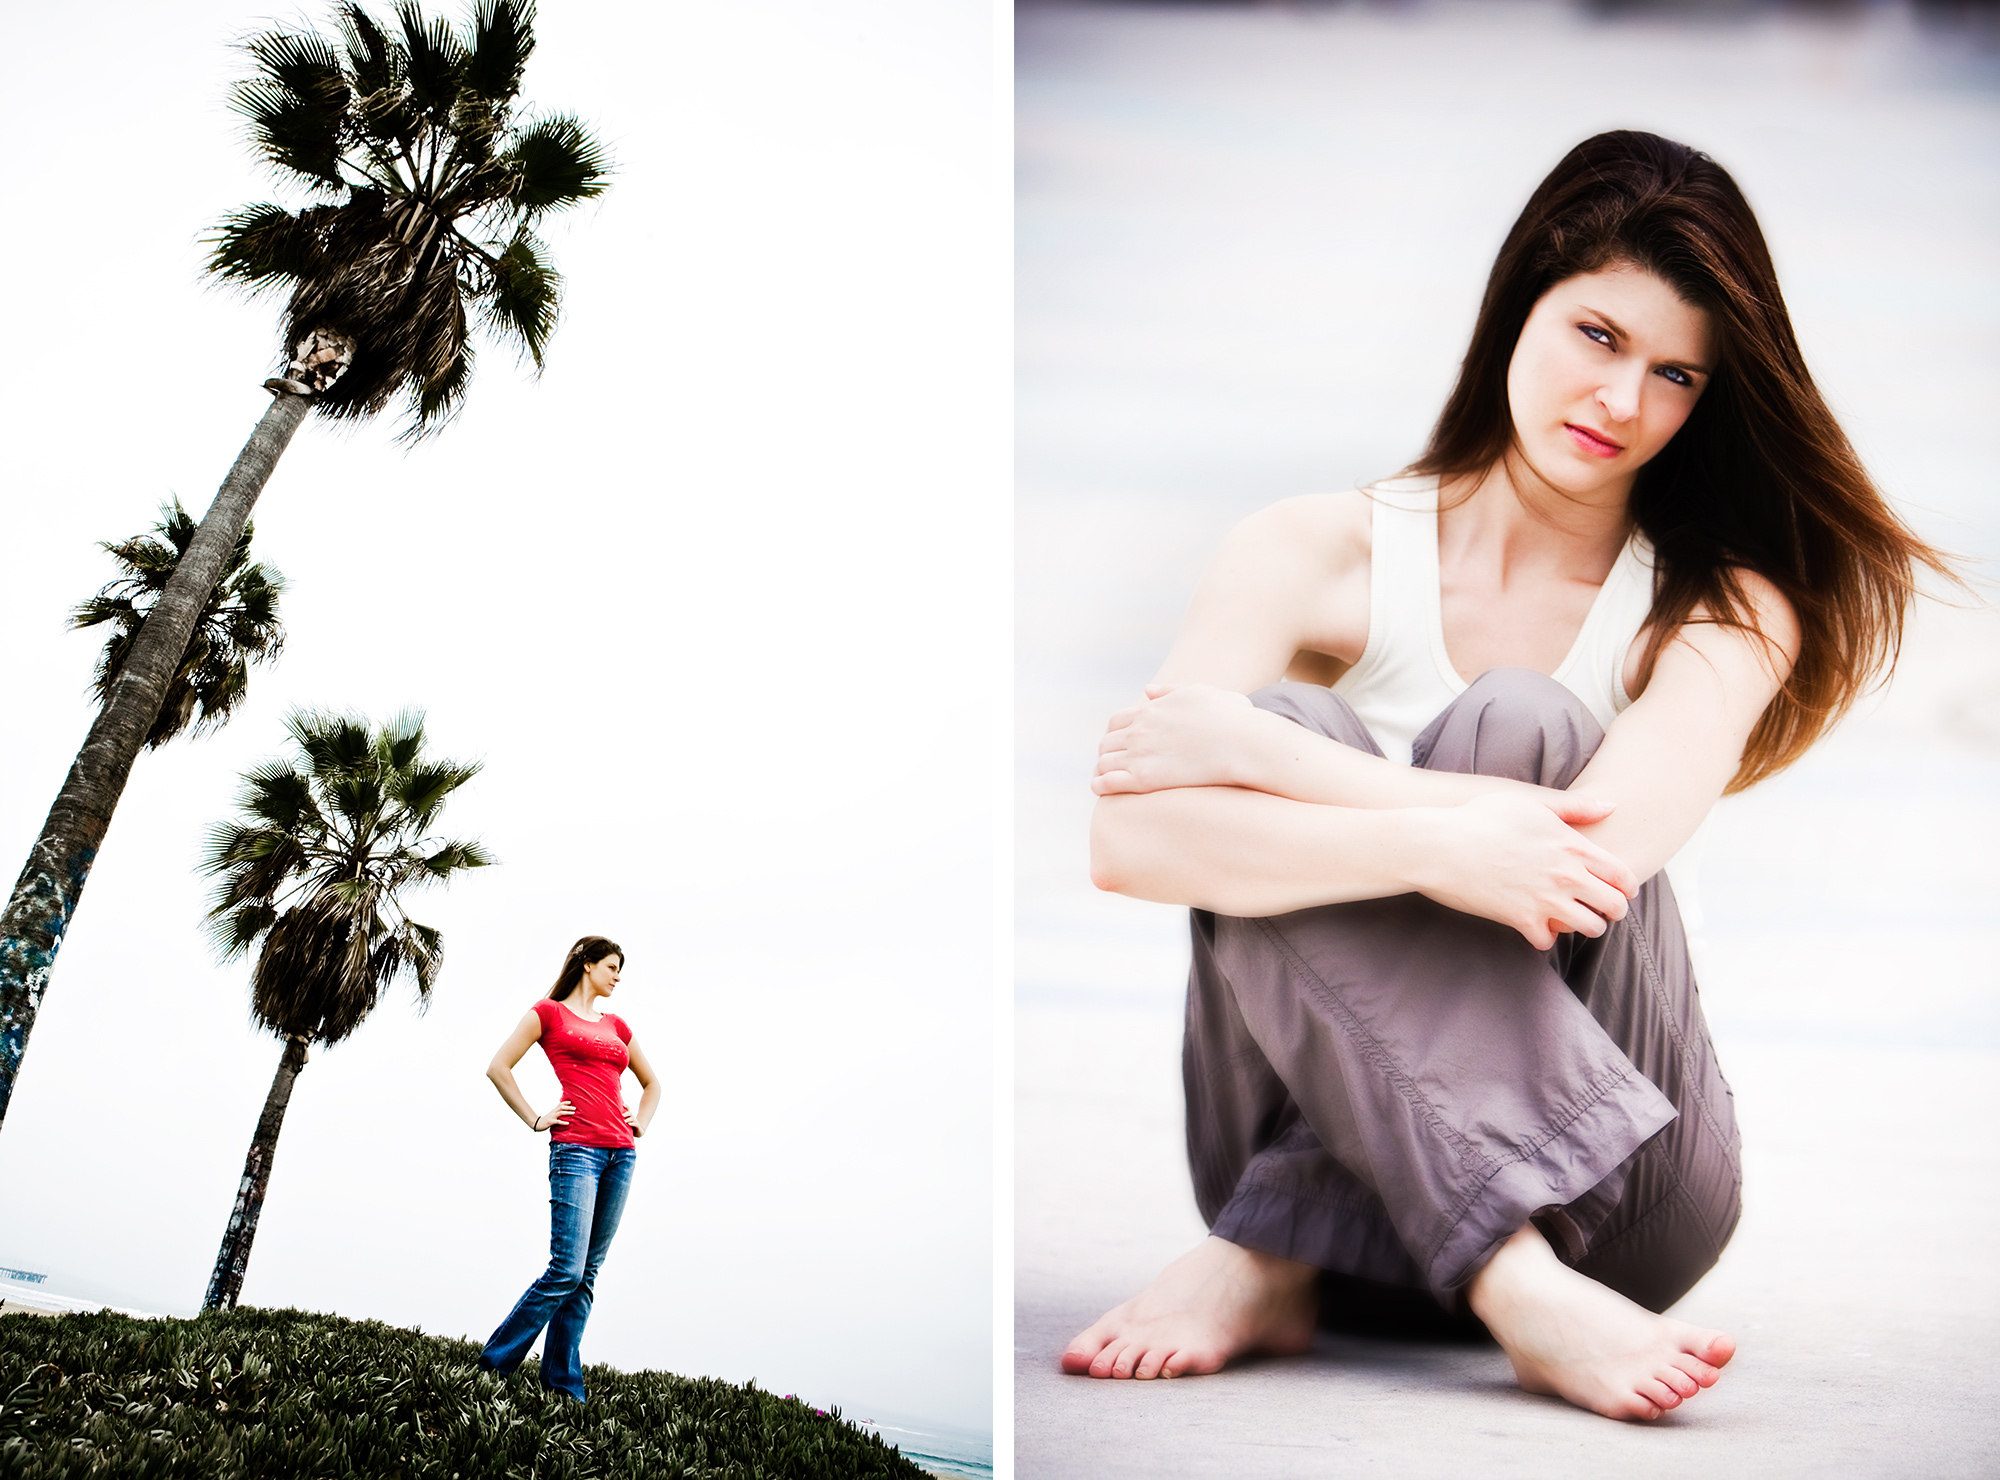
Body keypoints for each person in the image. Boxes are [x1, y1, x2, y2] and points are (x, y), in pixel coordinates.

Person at [1062, 130, 1951, 1421]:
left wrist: (1266, 763)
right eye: (1596, 335)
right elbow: (1128, 843)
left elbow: (1599, 851)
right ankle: (1499, 1279)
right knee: (1299, 708)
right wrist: (1424, 840)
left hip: (1623, 1210)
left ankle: (1307, 1252)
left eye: (1677, 374)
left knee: (1514, 722)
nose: (1624, 404)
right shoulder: (1313, 551)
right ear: (1519, 301)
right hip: (1323, 1171)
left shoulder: (1723, 606)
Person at [479, 935, 661, 1402]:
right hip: (575, 1150)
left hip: (621, 1154)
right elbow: (499, 1067)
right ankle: (494, 1364)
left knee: (588, 1274)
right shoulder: (548, 1014)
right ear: (587, 965)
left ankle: (562, 1384)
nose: (618, 976)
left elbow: (652, 1083)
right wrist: (536, 1118)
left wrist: (639, 1121)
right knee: (566, 1268)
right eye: (613, 966)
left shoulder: (618, 1025)